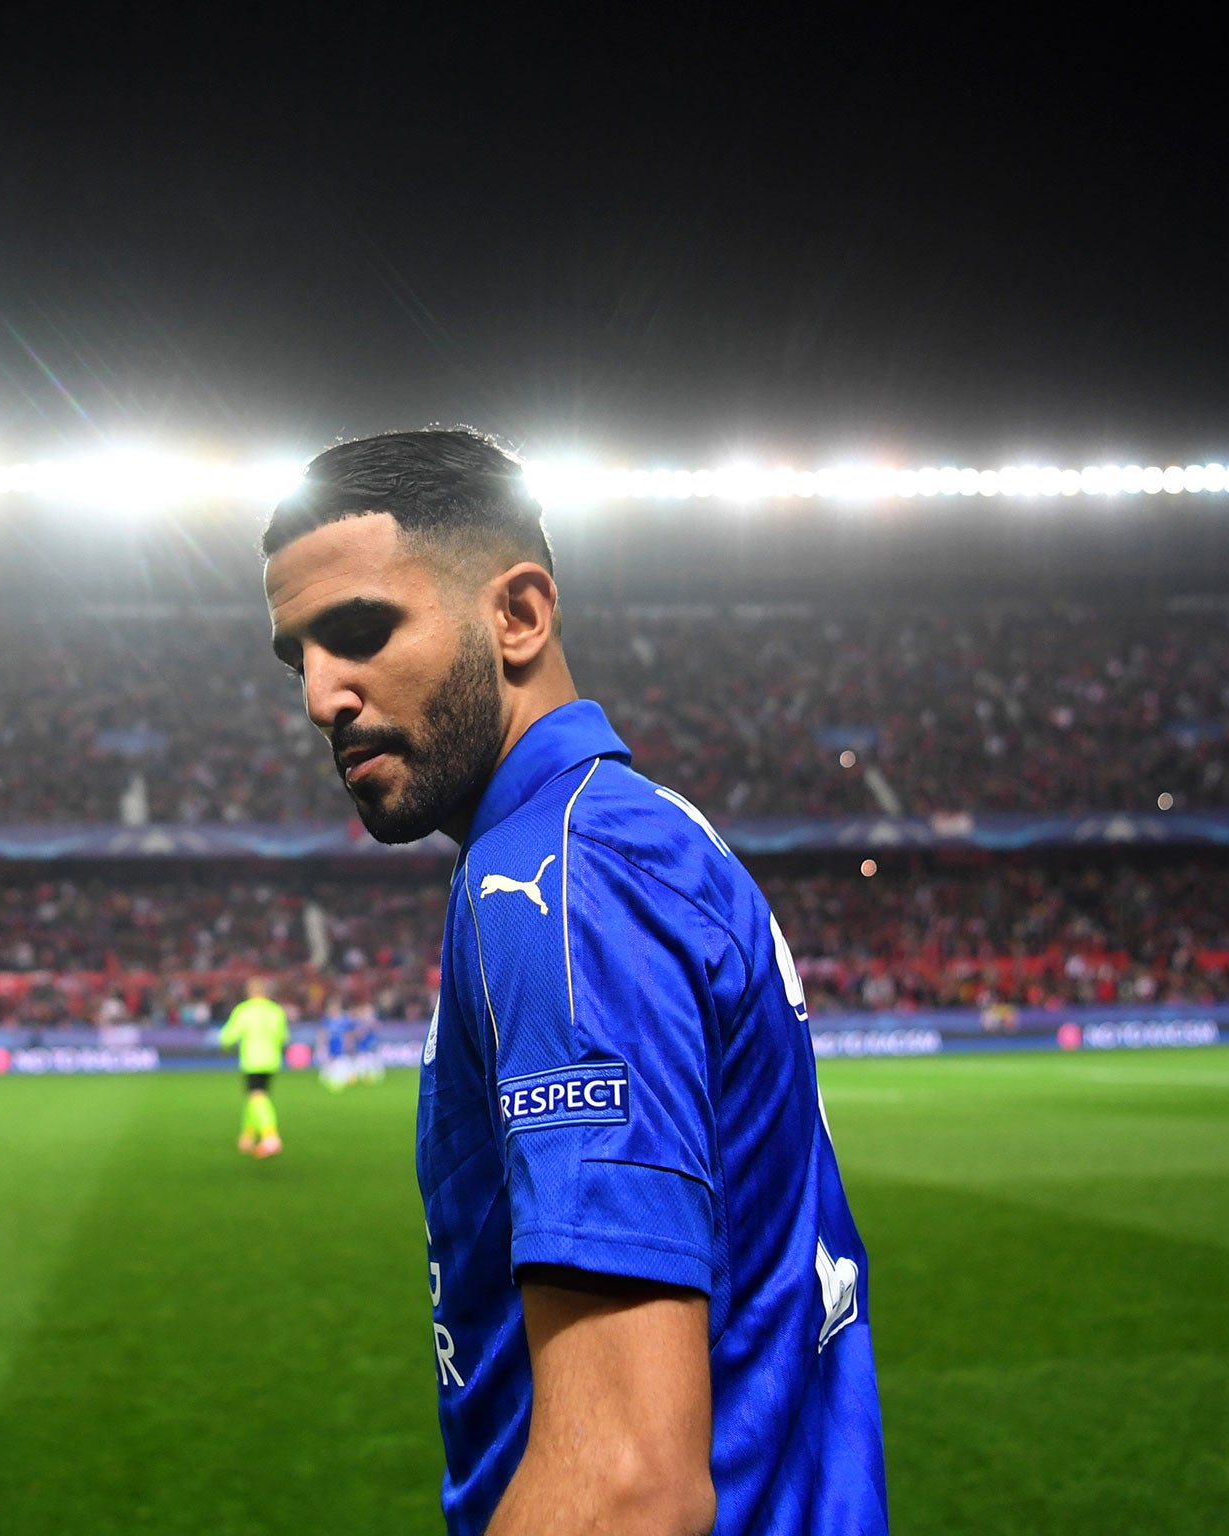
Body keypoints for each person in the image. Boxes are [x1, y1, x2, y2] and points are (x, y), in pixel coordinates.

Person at [264, 429, 886, 1535]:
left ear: (517, 614)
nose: (321, 696)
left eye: (359, 631)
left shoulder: (558, 879)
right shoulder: (618, 830)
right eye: (296, 656)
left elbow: (625, 1483)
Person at [218, 978, 289, 1158]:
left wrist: (225, 1045)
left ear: (249, 992)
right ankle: (247, 1136)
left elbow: (228, 1036)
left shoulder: (245, 1010)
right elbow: (283, 1036)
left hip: (253, 1060)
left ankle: (270, 1137)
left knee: (256, 1096)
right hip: (272, 1060)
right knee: (256, 1097)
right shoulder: (276, 1011)